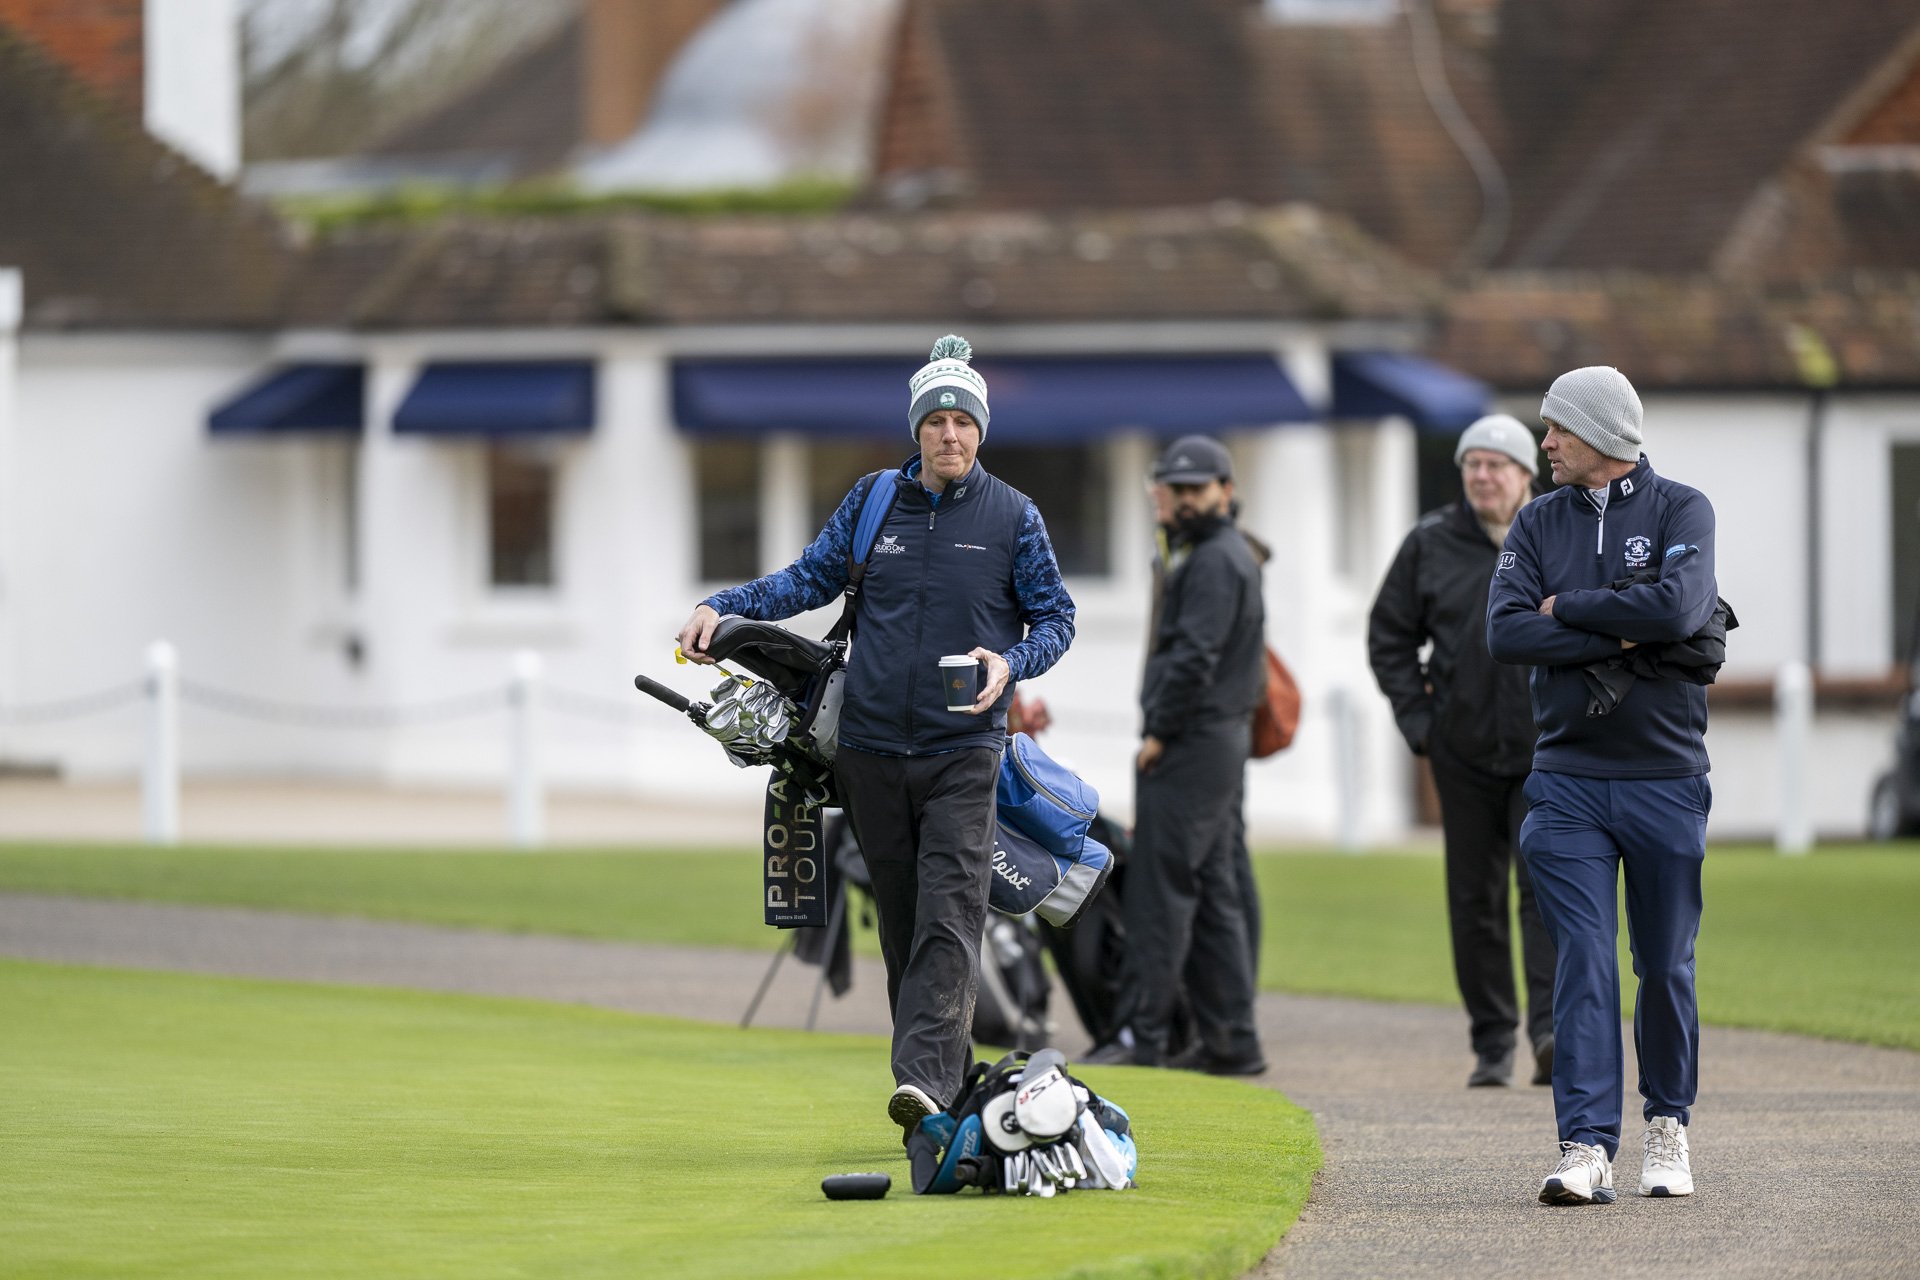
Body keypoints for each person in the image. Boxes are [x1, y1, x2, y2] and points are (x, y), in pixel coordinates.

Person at [676, 335, 1076, 1136]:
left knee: (950, 913)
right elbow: (804, 580)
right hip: (867, 754)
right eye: (937, 421)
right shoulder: (872, 503)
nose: (951, 434)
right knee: (902, 929)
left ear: (982, 431)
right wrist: (724, 606)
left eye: (965, 421)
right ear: (918, 428)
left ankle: (921, 1081)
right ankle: (945, 1104)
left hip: (964, 750)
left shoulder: (1013, 516)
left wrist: (1012, 660)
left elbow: (1057, 618)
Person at [1486, 366, 1718, 1206]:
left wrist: (1571, 610)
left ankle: (1668, 1126)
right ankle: (1585, 1146)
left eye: (1558, 428)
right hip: (1568, 780)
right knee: (1582, 959)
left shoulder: (1682, 509)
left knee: (1663, 964)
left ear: (1605, 435)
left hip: (1665, 776)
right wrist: (1622, 626)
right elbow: (1506, 631)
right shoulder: (1537, 519)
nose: (1543, 442)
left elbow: (1683, 610)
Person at [1368, 414, 1556, 1089]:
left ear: (1525, 476)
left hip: (1549, 752)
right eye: (1471, 464)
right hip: (1464, 752)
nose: (1481, 475)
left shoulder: (1558, 534)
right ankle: (1492, 1043)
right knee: (1473, 901)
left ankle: (1550, 1033)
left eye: (1495, 465)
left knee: (1547, 894)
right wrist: (1421, 724)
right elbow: (1388, 636)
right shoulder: (1429, 543)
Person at [1085, 435, 1266, 1074]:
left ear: (1225, 490)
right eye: (1176, 489)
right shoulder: (1211, 552)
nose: (1185, 500)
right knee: (1214, 889)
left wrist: (1158, 732)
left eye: (1196, 489)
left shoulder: (1216, 559)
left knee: (1161, 895)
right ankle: (1230, 1042)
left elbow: (1194, 657)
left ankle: (1143, 1036)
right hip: (1213, 740)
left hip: (1193, 740)